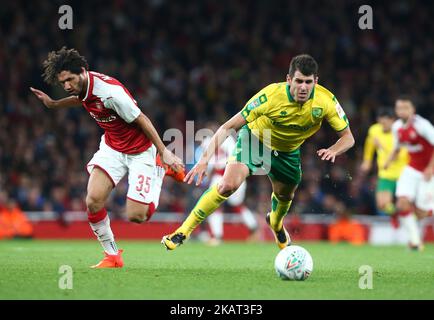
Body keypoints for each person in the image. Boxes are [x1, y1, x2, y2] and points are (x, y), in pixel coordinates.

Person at [162, 54, 355, 251]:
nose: (303, 87)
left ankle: (276, 224)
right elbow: (227, 127)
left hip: (288, 152)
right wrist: (204, 160)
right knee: (227, 186)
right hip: (255, 140)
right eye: (298, 81)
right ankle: (182, 231)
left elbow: (348, 138)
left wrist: (334, 149)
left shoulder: (326, 101)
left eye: (308, 82)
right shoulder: (270, 96)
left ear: (315, 81)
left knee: (284, 196)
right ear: (289, 80)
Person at [30, 47, 185, 268]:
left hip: (141, 151)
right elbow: (81, 99)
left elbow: (142, 119)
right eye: (62, 82)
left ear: (83, 71)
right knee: (92, 201)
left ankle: (160, 167)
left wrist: (163, 151)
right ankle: (112, 255)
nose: (66, 86)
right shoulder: (84, 88)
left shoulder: (110, 93)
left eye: (70, 80)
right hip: (112, 147)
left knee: (137, 216)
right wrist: (54, 104)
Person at [384, 96, 434, 251]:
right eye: (399, 108)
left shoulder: (422, 125)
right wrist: (388, 161)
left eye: (406, 107)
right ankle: (415, 241)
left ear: (413, 109)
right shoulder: (396, 127)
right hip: (411, 169)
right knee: (401, 203)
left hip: (428, 171)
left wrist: (431, 168)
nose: (402, 111)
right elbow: (397, 147)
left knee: (421, 212)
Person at [199, 127, 259, 245]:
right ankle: (253, 228)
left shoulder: (210, 142)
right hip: (235, 175)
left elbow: (210, 163)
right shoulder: (229, 140)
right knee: (237, 206)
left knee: (216, 206)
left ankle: (217, 236)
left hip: (223, 176)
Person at [360, 108, 408, 221]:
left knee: (404, 204)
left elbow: (400, 155)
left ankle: (406, 219)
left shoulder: (400, 131)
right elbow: (369, 145)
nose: (383, 126)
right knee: (382, 205)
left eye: (385, 123)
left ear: (392, 120)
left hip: (403, 173)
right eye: (380, 123)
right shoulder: (374, 130)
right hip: (386, 174)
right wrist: (367, 161)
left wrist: (382, 147)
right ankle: (396, 215)